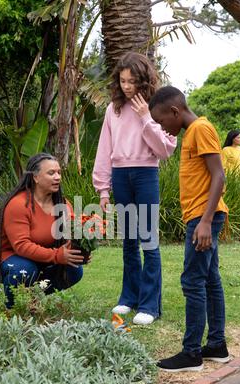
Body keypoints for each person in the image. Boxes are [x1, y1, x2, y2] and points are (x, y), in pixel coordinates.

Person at [149, 86, 230, 372]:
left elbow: (219, 176)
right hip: (201, 216)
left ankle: (191, 353)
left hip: (202, 216)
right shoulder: (194, 133)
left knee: (193, 281)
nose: (163, 128)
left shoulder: (199, 129)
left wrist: (206, 221)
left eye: (161, 122)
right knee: (209, 279)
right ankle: (217, 345)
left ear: (175, 111)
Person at [92, 52, 177, 325]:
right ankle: (129, 297)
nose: (127, 86)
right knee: (129, 240)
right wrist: (103, 189)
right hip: (120, 176)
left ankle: (150, 306)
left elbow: (164, 150)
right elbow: (104, 149)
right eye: (122, 80)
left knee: (148, 240)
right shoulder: (112, 109)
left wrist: (145, 117)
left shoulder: (155, 108)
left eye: (132, 81)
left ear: (143, 81)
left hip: (145, 174)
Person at [0, 153, 85, 309]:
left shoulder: (63, 204)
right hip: (5, 259)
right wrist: (57, 255)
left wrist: (79, 252)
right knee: (24, 269)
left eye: (59, 173)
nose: (57, 177)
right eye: (51, 173)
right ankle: (14, 308)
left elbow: (69, 237)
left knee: (74, 270)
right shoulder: (18, 204)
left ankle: (31, 297)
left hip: (37, 260)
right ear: (35, 178)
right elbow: (21, 246)